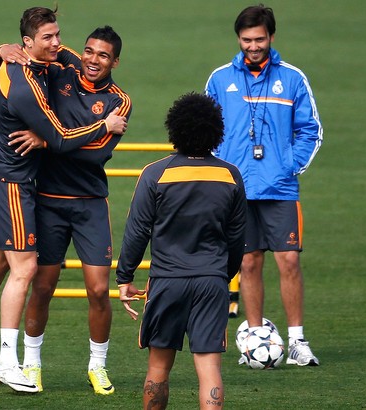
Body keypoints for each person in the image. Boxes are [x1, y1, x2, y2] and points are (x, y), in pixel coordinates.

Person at [0, 7, 127, 393]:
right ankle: (10, 361)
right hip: (15, 181)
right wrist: (87, 129)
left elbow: (93, 150)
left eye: (57, 35)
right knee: (26, 272)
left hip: (56, 190)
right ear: (30, 43)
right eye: (48, 37)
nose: (57, 43)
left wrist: (2, 50)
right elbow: (62, 139)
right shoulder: (30, 80)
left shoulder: (59, 64)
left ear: (114, 60)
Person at [0, 26, 131, 394]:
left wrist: (47, 141)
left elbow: (98, 154)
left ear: (115, 61)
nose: (92, 60)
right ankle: (31, 363)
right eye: (89, 51)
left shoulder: (120, 101)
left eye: (103, 55)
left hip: (89, 205)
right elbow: (25, 55)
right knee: (42, 287)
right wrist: (2, 49)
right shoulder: (62, 70)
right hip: (49, 201)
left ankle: (98, 366)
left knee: (99, 290)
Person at [204, 4, 322, 366]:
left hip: (280, 188)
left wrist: (289, 166)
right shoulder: (220, 79)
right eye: (246, 40)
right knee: (249, 263)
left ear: (271, 36)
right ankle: (255, 340)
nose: (253, 46)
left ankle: (297, 341)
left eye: (259, 39)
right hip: (236, 191)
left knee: (288, 261)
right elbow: (205, 129)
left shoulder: (293, 78)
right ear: (238, 39)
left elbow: (310, 130)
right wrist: (220, 172)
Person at [116, 92, 247, 409]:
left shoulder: (156, 173)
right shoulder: (230, 175)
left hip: (167, 282)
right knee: (210, 370)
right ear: (215, 130)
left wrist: (125, 277)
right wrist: (221, 274)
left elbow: (137, 230)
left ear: (174, 129)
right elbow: (237, 236)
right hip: (211, 281)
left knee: (159, 367)